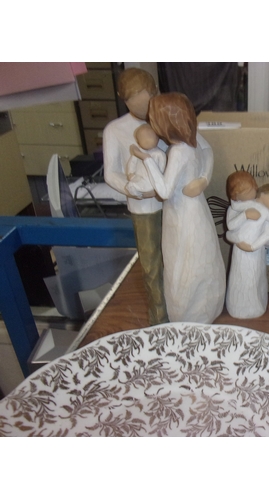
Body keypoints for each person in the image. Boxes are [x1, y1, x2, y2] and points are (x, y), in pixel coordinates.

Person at [131, 92, 225, 324]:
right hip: (194, 211)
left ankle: (188, 316)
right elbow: (206, 152)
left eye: (154, 118)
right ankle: (207, 309)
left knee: (184, 265)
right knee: (198, 260)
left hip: (182, 216)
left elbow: (164, 191)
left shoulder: (178, 151)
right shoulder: (191, 142)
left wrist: (146, 159)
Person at [102, 67, 169, 326]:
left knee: (175, 256)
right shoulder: (115, 130)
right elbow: (111, 172)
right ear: (124, 99)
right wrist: (130, 188)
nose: (144, 111)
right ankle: (159, 317)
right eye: (135, 104)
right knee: (151, 263)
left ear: (156, 93)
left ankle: (180, 307)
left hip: (172, 203)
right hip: (144, 209)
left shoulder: (163, 120)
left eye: (148, 102)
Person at [225, 176, 269, 319]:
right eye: (246, 192)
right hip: (240, 253)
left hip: (256, 253)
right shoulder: (234, 209)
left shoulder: (263, 211)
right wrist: (245, 215)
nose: (251, 194)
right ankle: (236, 306)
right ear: (235, 194)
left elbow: (268, 234)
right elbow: (231, 227)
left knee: (255, 279)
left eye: (252, 190)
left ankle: (256, 306)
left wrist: (253, 246)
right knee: (240, 279)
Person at [125, 123, 165, 198]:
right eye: (143, 138)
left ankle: (141, 191)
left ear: (157, 139)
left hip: (152, 179)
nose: (147, 140)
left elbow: (162, 168)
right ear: (138, 142)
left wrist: (161, 176)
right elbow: (132, 163)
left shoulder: (159, 154)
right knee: (132, 185)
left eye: (151, 137)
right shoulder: (138, 152)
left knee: (148, 185)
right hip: (139, 177)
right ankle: (136, 191)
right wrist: (130, 173)